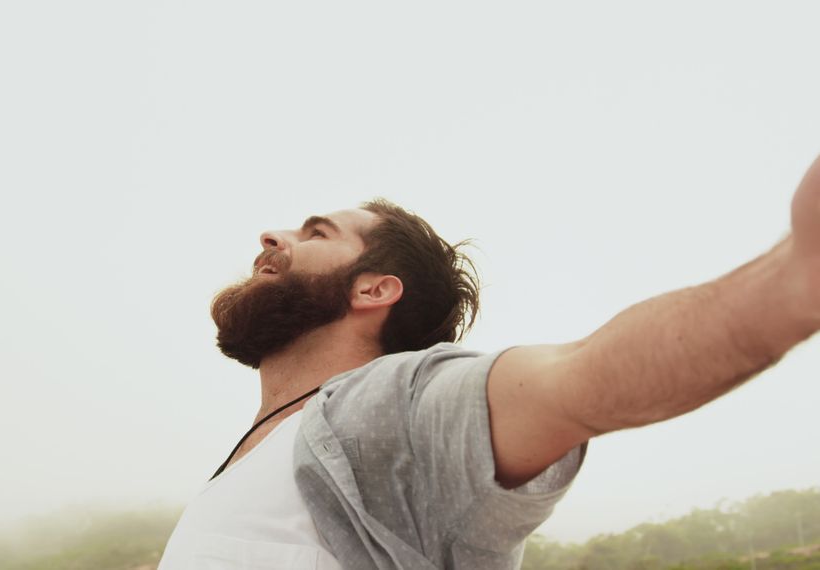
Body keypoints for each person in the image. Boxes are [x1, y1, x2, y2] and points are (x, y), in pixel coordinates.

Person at [157, 155, 820, 570]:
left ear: (375, 289)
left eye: (317, 233)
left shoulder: (387, 413)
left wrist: (795, 279)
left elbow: (577, 378)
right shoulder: (255, 460)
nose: (272, 235)